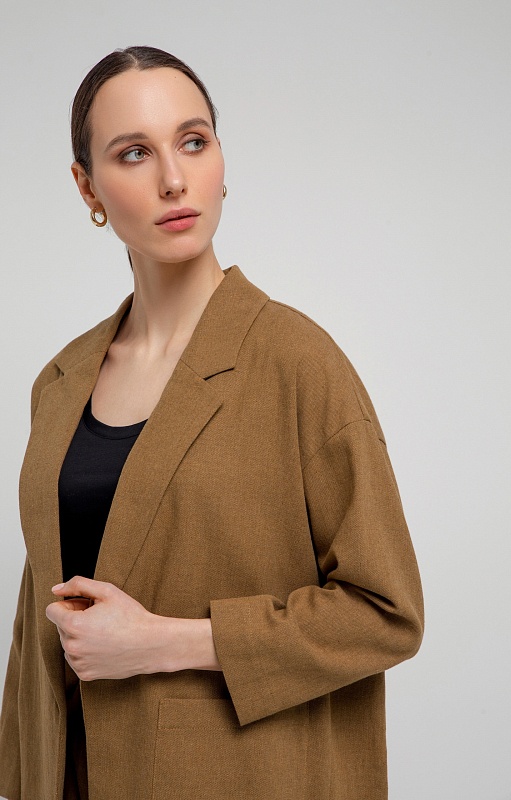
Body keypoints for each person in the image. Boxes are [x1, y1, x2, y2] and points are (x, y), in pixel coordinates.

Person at [0, 46, 424, 800]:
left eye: (193, 142)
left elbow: (385, 613)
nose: (173, 178)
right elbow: (38, 634)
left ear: (221, 161)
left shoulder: (298, 363)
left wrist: (164, 642)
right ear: (87, 186)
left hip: (236, 778)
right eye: (134, 153)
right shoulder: (59, 383)